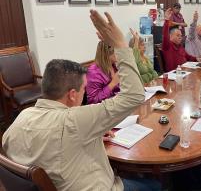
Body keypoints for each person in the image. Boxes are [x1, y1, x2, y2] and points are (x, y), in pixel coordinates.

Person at [2, 10, 161, 191]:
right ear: (72, 94)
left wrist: (92, 135)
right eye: (83, 89)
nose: (84, 93)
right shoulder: (74, 120)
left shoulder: (20, 119)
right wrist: (120, 44)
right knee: (155, 184)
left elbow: (50, 146)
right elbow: (134, 95)